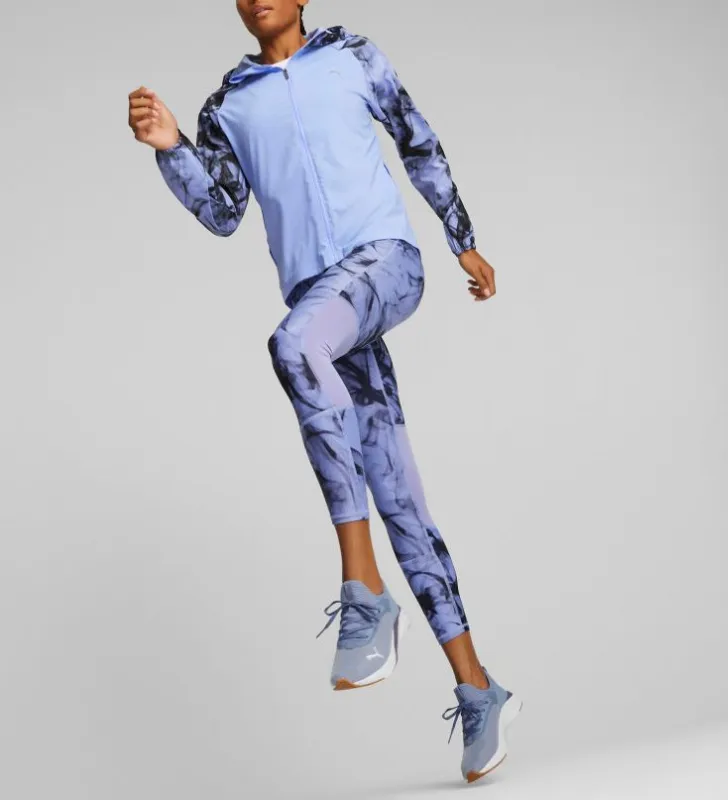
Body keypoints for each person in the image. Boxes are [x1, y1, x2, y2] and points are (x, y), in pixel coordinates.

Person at [128, 0, 520, 783]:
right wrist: (172, 149)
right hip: (324, 304)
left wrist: (463, 240)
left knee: (292, 345)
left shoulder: (354, 57)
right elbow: (222, 212)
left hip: (386, 263)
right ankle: (480, 690)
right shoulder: (227, 105)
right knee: (398, 494)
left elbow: (416, 138)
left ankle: (363, 587)